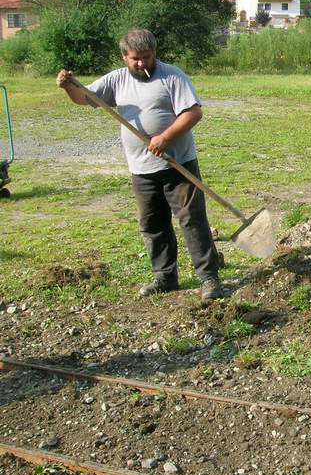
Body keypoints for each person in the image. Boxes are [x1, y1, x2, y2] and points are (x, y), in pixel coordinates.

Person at [56, 28, 224, 302]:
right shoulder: (117, 80)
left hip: (177, 163)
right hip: (142, 169)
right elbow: (84, 98)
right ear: (124, 56)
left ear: (154, 53)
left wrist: (165, 138)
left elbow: (193, 113)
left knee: (192, 220)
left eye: (146, 57)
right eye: (135, 58)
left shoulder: (172, 76)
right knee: (153, 224)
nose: (141, 63)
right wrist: (68, 87)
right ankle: (165, 278)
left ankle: (209, 278)